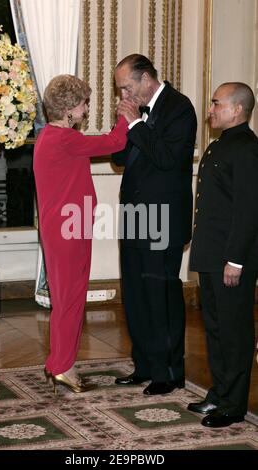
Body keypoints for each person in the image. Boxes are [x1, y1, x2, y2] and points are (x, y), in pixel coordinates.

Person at [33, 74, 128, 393]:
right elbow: (114, 143)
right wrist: (124, 119)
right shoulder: (63, 139)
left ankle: (61, 363)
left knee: (66, 299)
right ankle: (61, 365)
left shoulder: (50, 136)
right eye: (84, 103)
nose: (86, 110)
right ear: (70, 108)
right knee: (70, 300)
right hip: (68, 230)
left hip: (64, 228)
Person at [112, 54, 197, 395]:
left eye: (127, 88)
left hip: (163, 218)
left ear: (147, 78)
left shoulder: (180, 107)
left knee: (160, 295)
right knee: (134, 293)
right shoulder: (136, 111)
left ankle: (170, 372)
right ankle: (145, 365)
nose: (124, 96)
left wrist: (135, 124)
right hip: (134, 215)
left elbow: (167, 159)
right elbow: (120, 158)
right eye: (120, 90)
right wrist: (125, 125)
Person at [187, 82, 258, 427]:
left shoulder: (246, 149)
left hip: (231, 260)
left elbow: (248, 211)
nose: (210, 110)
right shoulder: (222, 145)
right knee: (215, 329)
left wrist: (236, 259)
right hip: (212, 255)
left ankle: (234, 406)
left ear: (237, 110)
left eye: (216, 104)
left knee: (235, 332)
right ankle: (220, 393)